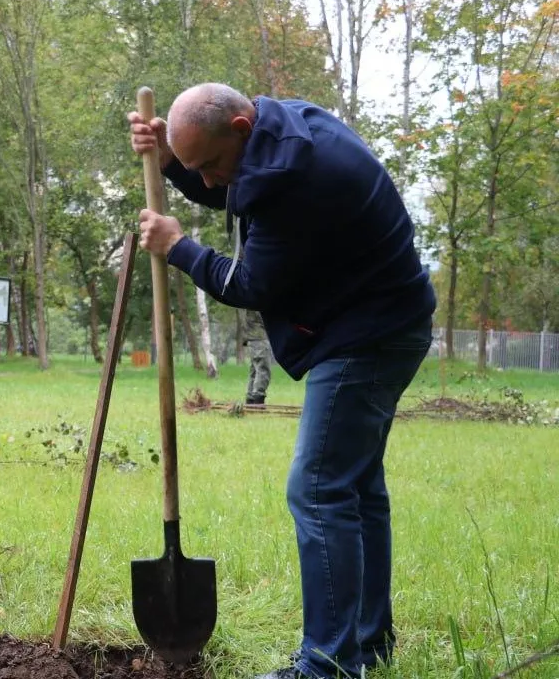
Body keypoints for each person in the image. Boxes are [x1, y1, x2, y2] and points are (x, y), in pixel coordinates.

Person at [129, 83, 435, 679]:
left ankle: (326, 665)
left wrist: (180, 246)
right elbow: (235, 188)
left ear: (242, 129)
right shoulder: (276, 134)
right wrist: (171, 161)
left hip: (368, 337)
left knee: (318, 489)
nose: (209, 181)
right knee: (356, 488)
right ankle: (367, 646)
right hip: (387, 321)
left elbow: (251, 286)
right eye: (197, 168)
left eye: (208, 163)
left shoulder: (299, 176)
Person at [242, 309, 272, 405]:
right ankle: (258, 399)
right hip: (259, 336)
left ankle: (250, 399)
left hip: (251, 337)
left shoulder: (247, 297)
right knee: (263, 369)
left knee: (255, 370)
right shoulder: (258, 298)